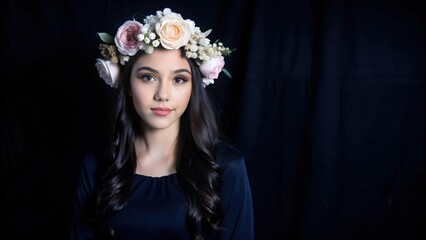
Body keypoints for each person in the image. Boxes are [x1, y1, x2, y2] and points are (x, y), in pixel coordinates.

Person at [70, 7, 254, 240]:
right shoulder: (97, 165)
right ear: (128, 85)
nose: (162, 94)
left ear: (193, 87)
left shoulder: (227, 167)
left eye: (179, 79)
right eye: (148, 77)